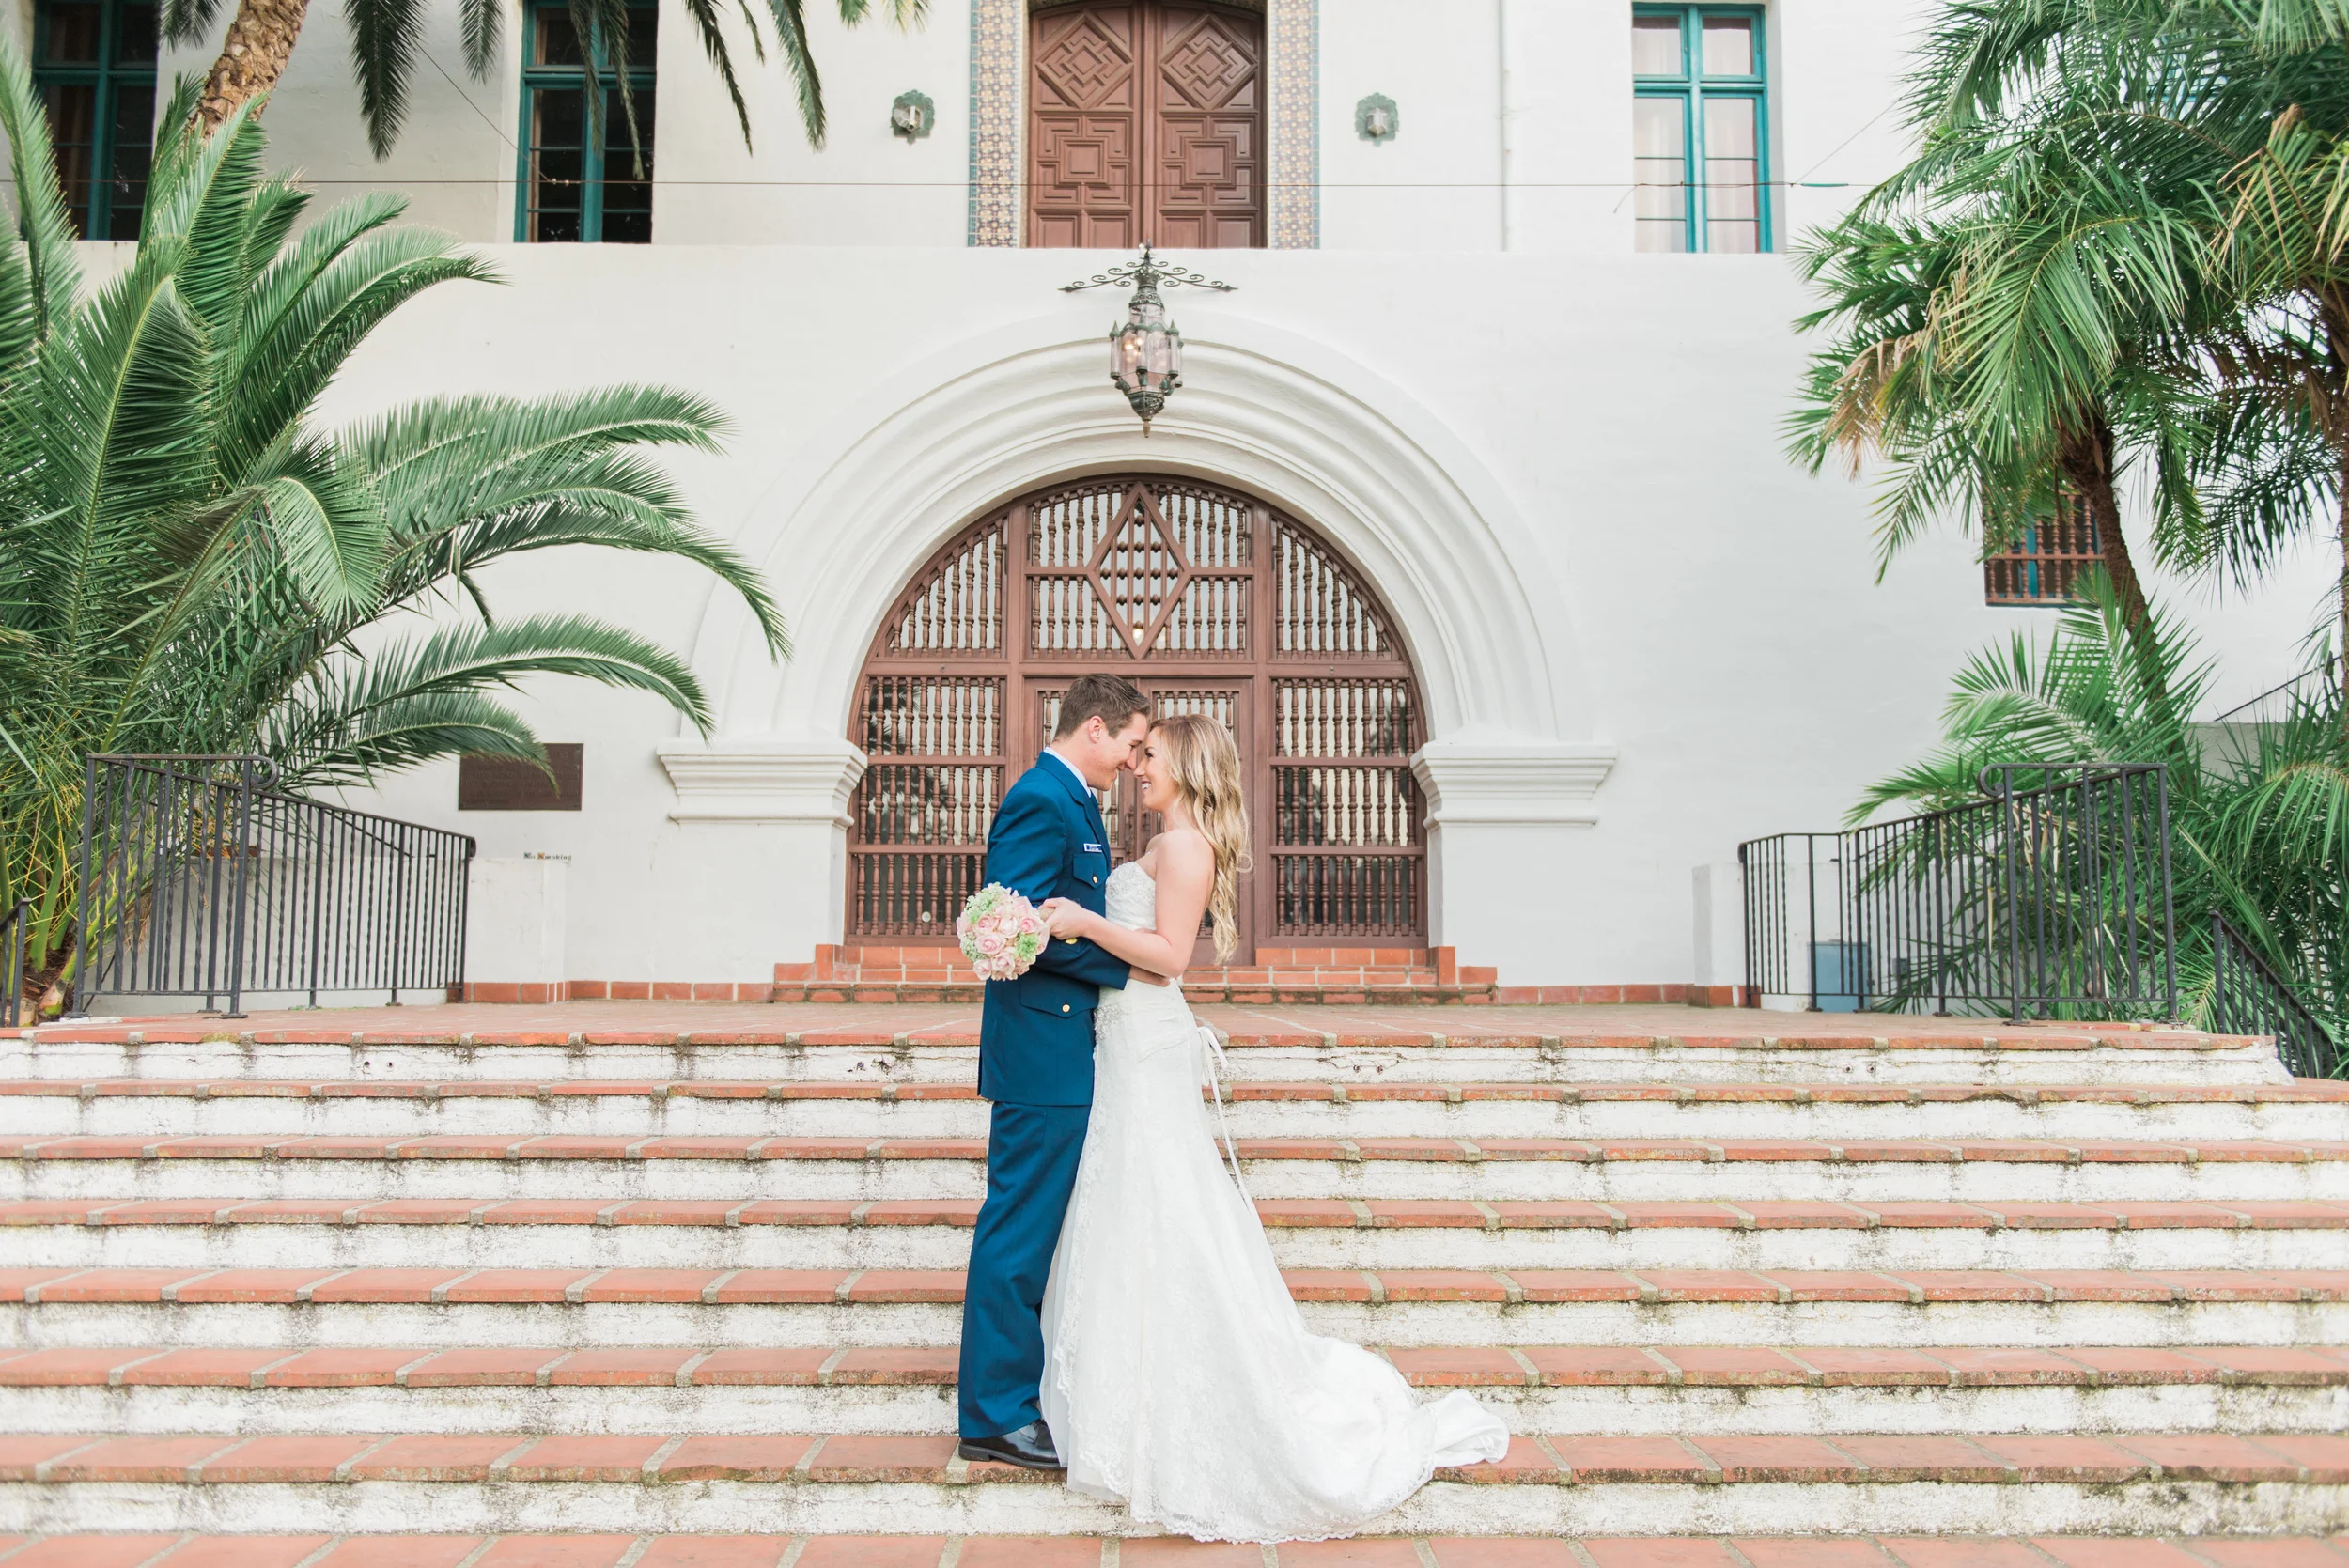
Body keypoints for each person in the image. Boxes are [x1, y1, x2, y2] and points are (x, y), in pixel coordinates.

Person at [1035, 712, 1510, 1543]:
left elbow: (1172, 953)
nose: (1139, 766)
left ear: (1185, 763)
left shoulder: (1184, 848)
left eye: (1150, 756)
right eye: (1136, 754)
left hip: (1146, 1039)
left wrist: (1080, 921)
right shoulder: (1169, 841)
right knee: (1135, 1198)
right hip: (1125, 1036)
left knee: (1160, 1197)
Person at [955, 672, 1165, 1469]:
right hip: (1041, 1050)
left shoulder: (1075, 798)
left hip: (1065, 1048)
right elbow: (1007, 922)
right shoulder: (1043, 797)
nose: (1134, 761)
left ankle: (1011, 1399)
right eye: (1133, 745)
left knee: (1035, 1229)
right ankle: (994, 1414)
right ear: (1097, 728)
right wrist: (1125, 969)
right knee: (1018, 1229)